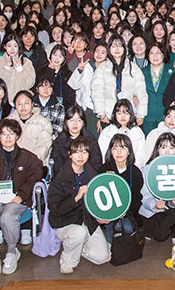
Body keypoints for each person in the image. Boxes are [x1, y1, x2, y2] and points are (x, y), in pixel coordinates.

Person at [0, 118, 44, 276]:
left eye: (11, 134)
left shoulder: (27, 157)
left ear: (17, 136)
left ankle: (12, 251)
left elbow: (37, 174)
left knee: (7, 217)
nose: (7, 137)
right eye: (4, 134)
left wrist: (21, 195)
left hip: (17, 199)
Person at [48, 137, 111, 273]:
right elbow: (55, 209)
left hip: (85, 220)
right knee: (79, 233)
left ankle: (77, 246)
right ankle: (67, 261)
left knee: (103, 257)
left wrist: (98, 217)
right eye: (76, 152)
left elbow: (94, 203)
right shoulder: (60, 177)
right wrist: (75, 198)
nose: (81, 156)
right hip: (64, 222)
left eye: (84, 152)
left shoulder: (92, 175)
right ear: (70, 155)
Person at [91, 34, 148, 129]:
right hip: (109, 115)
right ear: (109, 48)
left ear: (124, 48)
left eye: (120, 46)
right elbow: (97, 92)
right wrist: (101, 114)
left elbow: (141, 91)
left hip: (129, 115)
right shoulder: (102, 68)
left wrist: (141, 114)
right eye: (113, 46)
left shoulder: (133, 68)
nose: (117, 49)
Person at [98, 133, 144, 241]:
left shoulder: (135, 172)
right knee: (112, 228)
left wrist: (126, 211)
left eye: (123, 148)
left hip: (127, 211)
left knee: (128, 228)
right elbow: (98, 196)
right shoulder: (104, 170)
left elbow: (137, 198)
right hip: (108, 212)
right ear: (110, 151)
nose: (119, 152)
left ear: (129, 151)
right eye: (115, 148)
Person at [7, 90, 53, 168]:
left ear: (32, 104)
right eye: (19, 104)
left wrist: (27, 162)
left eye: (26, 103)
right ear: (15, 106)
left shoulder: (44, 123)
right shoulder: (8, 123)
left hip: (35, 164)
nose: (23, 107)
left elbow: (44, 147)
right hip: (12, 163)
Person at [50, 105, 101, 176]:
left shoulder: (90, 140)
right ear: (66, 122)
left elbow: (96, 164)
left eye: (79, 120)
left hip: (87, 175)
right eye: (71, 120)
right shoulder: (59, 141)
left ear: (83, 122)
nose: (75, 124)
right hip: (65, 177)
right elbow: (58, 167)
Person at [0, 34, 36, 105]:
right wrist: (6, 68)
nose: (12, 49)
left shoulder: (26, 62)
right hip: (4, 101)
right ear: (4, 46)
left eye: (15, 46)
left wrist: (20, 69)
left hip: (21, 102)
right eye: (9, 46)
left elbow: (29, 84)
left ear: (19, 47)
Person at [98, 99, 145, 163]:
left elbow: (141, 155)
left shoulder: (138, 132)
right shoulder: (106, 132)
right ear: (115, 114)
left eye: (126, 113)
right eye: (119, 113)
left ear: (131, 115)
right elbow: (102, 154)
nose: (123, 117)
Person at [141, 43, 174, 134]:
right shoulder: (141, 72)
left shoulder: (172, 72)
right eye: (151, 53)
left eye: (158, 53)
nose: (155, 56)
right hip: (147, 116)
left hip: (166, 116)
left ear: (163, 55)